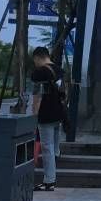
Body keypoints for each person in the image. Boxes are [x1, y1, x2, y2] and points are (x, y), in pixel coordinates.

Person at [31, 46, 65, 191]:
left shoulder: (39, 73)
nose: (35, 63)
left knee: (47, 147)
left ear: (37, 57)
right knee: (55, 147)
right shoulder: (60, 71)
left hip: (46, 115)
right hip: (59, 113)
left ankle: (49, 181)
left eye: (34, 60)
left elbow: (37, 97)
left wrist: (34, 115)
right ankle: (52, 175)